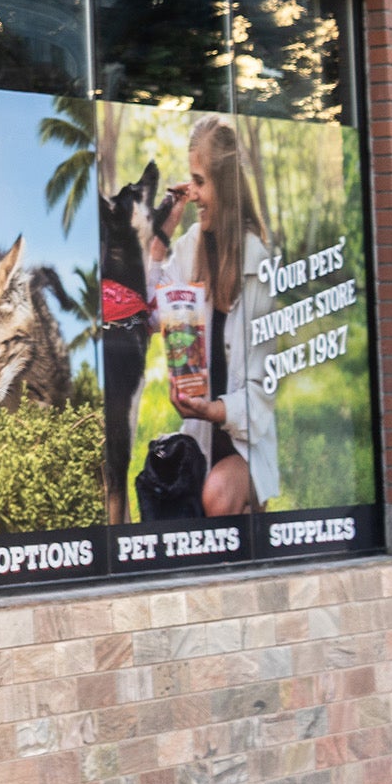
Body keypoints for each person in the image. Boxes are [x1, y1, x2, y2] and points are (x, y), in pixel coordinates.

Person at [154, 116, 277, 518]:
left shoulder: (257, 262)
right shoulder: (190, 247)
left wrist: (215, 410)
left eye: (200, 181)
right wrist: (162, 235)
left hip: (245, 443)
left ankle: (251, 511)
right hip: (201, 437)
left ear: (224, 185)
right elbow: (151, 314)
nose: (193, 193)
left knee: (217, 495)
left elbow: (263, 394)